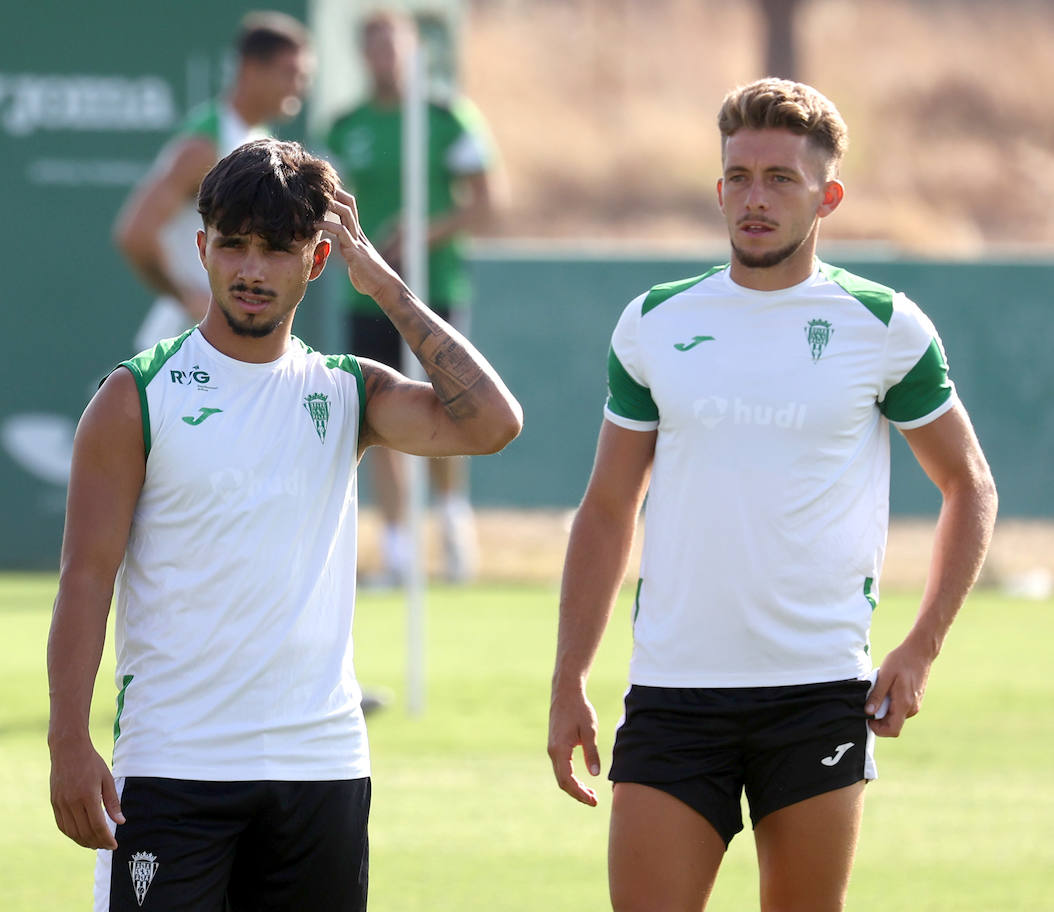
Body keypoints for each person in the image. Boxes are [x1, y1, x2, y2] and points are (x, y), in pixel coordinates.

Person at [546, 78, 997, 911]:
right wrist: (569, 675)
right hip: (673, 696)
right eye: (740, 176)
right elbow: (608, 507)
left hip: (819, 693)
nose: (755, 198)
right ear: (719, 188)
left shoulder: (884, 325)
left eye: (780, 178)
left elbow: (968, 484)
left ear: (826, 196)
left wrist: (921, 647)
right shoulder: (653, 322)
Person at [48, 138, 522, 912]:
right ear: (202, 249)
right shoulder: (135, 397)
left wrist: (390, 288)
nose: (250, 269)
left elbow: (493, 423)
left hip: (322, 767)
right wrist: (68, 738)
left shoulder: (346, 392)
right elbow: (85, 576)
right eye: (232, 245)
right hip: (174, 767)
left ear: (320, 258)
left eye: (276, 248)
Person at [324, 10, 499, 584]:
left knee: (449, 400)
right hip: (364, 294)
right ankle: (397, 545)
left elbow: (483, 202)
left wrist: (422, 234)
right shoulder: (345, 125)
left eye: (391, 44)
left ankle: (451, 522)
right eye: (371, 44)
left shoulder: (445, 118)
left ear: (411, 50)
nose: (383, 55)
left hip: (435, 288)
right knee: (376, 408)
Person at [113, 11, 312, 352]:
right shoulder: (205, 145)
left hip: (227, 341)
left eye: (304, 76)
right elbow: (135, 234)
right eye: (290, 73)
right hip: (185, 347)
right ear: (251, 70)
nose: (300, 86)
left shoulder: (257, 139)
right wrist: (192, 298)